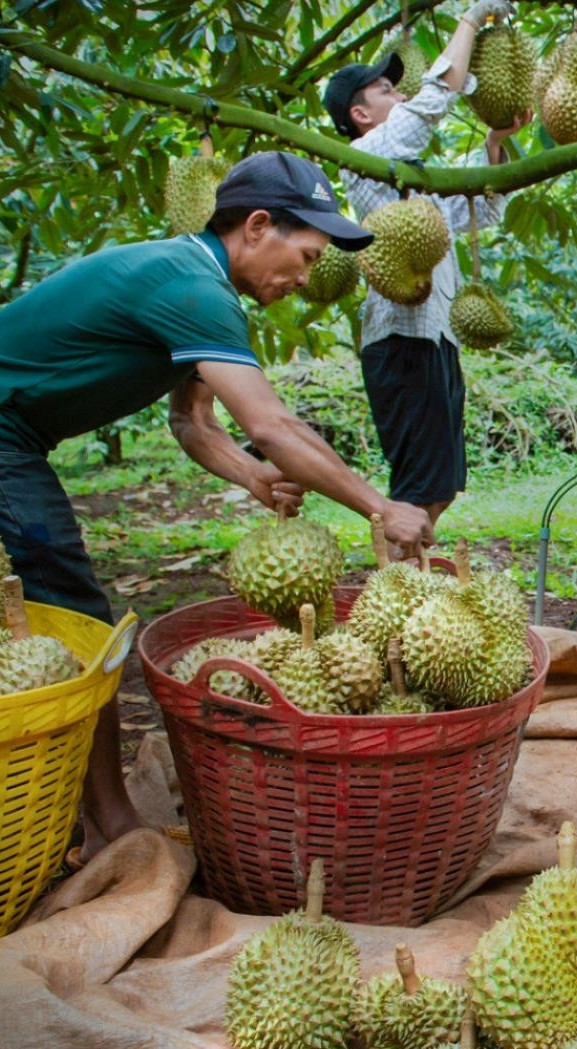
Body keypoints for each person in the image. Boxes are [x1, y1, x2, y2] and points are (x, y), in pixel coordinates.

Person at [0, 150, 435, 860]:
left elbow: (192, 423)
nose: (303, 278)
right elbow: (271, 425)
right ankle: (110, 825)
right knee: (76, 609)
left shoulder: (195, 282)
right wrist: (378, 505)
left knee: (60, 608)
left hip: (16, 434)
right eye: (304, 254)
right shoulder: (192, 286)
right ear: (257, 226)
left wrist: (252, 478)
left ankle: (82, 816)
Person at [324, 0, 524, 527]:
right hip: (402, 345)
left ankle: (410, 586)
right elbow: (435, 98)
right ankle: (398, 592)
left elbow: (476, 209)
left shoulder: (411, 178)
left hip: (435, 339)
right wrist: (471, 18)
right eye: (387, 91)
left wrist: (493, 143)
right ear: (359, 115)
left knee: (442, 486)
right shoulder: (370, 155)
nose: (402, 92)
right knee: (416, 489)